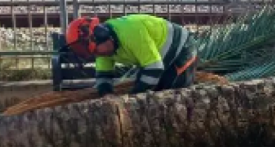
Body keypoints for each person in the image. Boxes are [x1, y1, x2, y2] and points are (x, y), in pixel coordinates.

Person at [63, 14, 197, 97]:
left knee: (171, 94)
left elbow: (154, 69)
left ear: (102, 35)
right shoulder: (101, 50)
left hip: (182, 48)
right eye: (95, 53)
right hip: (158, 59)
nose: (99, 55)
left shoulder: (132, 33)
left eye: (98, 51)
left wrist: (131, 98)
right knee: (148, 88)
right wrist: (107, 95)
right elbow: (103, 77)